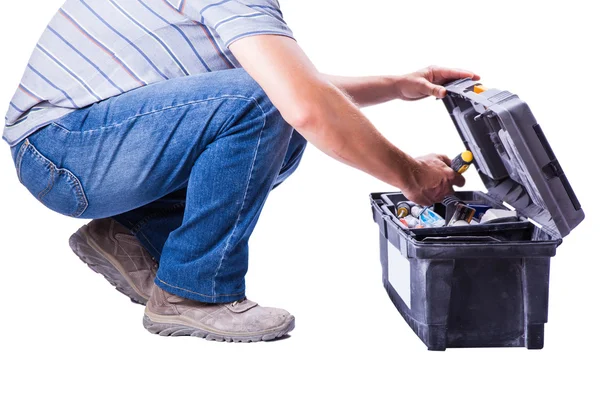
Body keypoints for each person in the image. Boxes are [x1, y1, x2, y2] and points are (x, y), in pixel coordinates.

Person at [4, 0, 476, 342]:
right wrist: (410, 176)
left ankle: (134, 234)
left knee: (278, 127)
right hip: (63, 150)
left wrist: (396, 85)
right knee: (270, 107)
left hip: (76, 147)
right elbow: (300, 102)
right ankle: (194, 292)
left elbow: (294, 87)